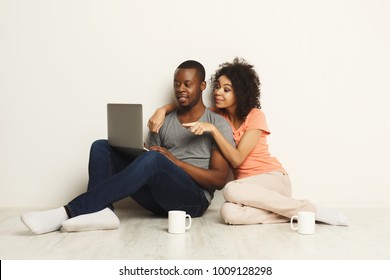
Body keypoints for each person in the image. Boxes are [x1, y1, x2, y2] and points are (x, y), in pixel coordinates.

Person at [21, 60, 235, 234]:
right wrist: (138, 153)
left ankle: (69, 211)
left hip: (192, 202)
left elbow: (217, 180)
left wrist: (175, 162)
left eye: (187, 84)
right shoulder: (162, 120)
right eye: (176, 84)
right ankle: (103, 211)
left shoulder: (216, 124)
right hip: (157, 200)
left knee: (155, 159)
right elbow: (153, 160)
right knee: (101, 146)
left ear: (202, 86)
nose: (180, 89)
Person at [148, 57, 348, 226]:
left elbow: (237, 160)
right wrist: (162, 110)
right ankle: (293, 215)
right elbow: (186, 104)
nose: (218, 92)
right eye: (217, 87)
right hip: (247, 188)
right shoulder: (218, 116)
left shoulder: (255, 116)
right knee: (228, 214)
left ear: (240, 93)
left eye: (226, 89)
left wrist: (213, 130)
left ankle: (308, 209)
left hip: (272, 179)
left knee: (230, 189)